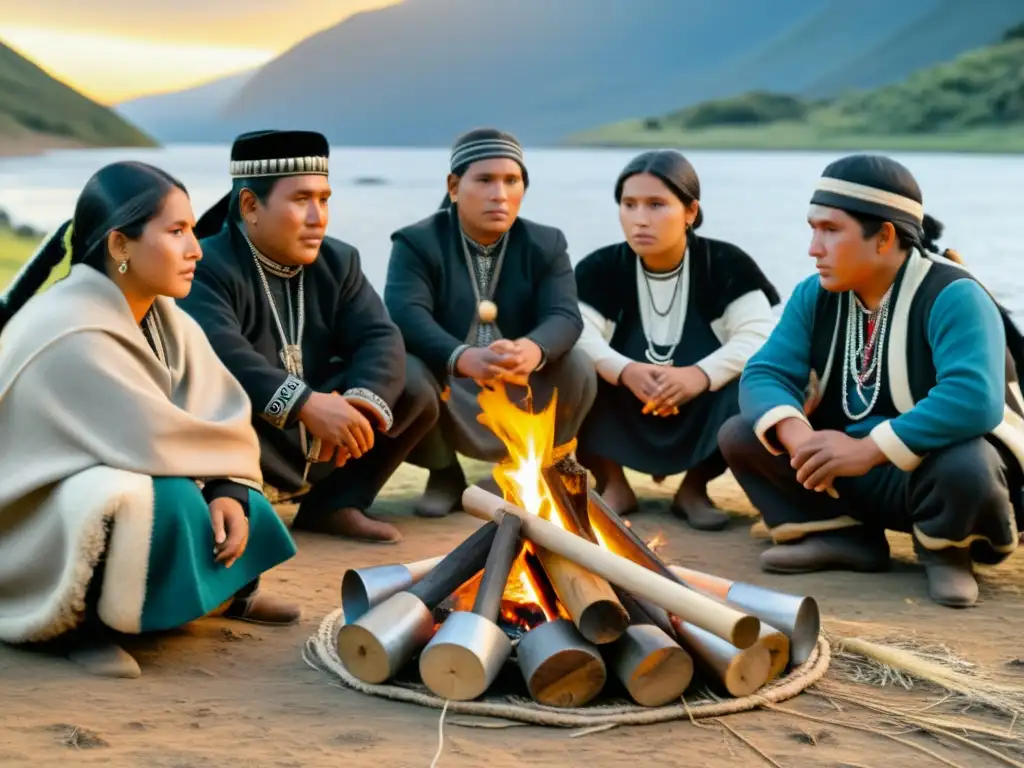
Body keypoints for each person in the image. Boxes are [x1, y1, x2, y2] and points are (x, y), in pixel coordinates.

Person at [0, 161, 300, 679]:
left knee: (233, 493)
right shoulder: (70, 329)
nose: (196, 249)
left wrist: (227, 483)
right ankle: (81, 624)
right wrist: (213, 479)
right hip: (33, 515)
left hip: (133, 462)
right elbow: (149, 438)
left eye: (192, 230)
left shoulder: (163, 317)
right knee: (161, 499)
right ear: (120, 246)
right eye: (177, 231)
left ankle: (221, 594)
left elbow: (217, 412)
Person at [719, 153, 1024, 608]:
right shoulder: (815, 294)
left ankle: (947, 554)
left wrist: (866, 450)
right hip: (851, 471)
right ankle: (845, 537)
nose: (813, 247)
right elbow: (766, 371)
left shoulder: (954, 294)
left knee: (967, 462)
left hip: (936, 476)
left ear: (883, 236)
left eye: (830, 230)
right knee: (745, 434)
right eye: (813, 228)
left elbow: (973, 399)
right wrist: (797, 433)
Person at [181, 130, 438, 544]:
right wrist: (305, 404)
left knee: (414, 381)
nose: (318, 217)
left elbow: (379, 336)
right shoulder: (205, 265)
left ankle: (335, 505)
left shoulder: (340, 261)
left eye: (324, 199)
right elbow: (222, 354)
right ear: (250, 205)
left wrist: (359, 402)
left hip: (324, 440)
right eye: (301, 200)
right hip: (248, 437)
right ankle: (238, 502)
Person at [385, 128, 596, 518]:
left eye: (511, 181)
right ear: (454, 186)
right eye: (484, 180)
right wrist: (462, 357)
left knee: (579, 365)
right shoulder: (416, 242)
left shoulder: (546, 243)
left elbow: (565, 315)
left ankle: (531, 472)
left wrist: (532, 350)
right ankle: (444, 473)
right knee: (402, 370)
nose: (499, 193)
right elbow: (404, 314)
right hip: (450, 379)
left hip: (519, 376)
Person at [573, 150, 779, 530]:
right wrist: (626, 371)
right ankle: (613, 484)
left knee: (756, 377)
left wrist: (697, 376)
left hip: (703, 404)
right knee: (573, 370)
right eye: (629, 204)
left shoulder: (726, 263)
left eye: (656, 204)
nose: (640, 219)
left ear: (690, 211)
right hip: (623, 403)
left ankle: (694, 489)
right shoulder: (600, 268)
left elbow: (759, 335)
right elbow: (575, 331)